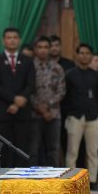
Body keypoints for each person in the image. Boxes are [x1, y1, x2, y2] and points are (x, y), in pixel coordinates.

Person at [0, 27, 36, 167]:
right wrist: (14, 99)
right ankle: (1, 178)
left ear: (19, 40)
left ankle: (21, 179)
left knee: (22, 150)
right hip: (2, 113)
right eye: (9, 38)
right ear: (4, 41)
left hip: (22, 113)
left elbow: (31, 84)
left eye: (15, 37)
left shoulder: (27, 61)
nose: (12, 40)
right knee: (1, 151)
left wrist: (19, 102)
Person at [64, 44, 98, 191]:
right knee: (72, 151)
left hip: (93, 117)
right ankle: (70, 181)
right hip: (75, 117)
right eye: (81, 53)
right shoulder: (69, 74)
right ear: (76, 55)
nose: (84, 56)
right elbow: (65, 96)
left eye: (87, 53)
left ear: (91, 56)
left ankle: (93, 180)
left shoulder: (97, 75)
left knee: (93, 151)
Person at [30, 36, 66, 166]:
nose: (43, 50)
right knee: (33, 150)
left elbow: (61, 91)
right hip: (34, 115)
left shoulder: (57, 68)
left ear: (50, 49)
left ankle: (53, 177)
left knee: (53, 150)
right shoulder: (29, 67)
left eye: (46, 47)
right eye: (40, 47)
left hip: (53, 114)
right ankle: (33, 177)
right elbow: (27, 91)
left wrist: (48, 105)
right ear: (35, 49)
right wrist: (39, 107)